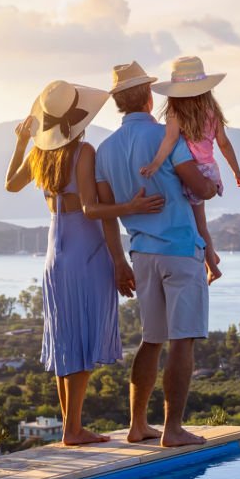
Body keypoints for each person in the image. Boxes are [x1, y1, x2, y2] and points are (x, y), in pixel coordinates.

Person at [5, 79, 164, 446]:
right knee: (85, 337)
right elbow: (94, 210)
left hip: (55, 254)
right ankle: (73, 429)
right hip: (85, 252)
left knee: (66, 340)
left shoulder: (40, 155)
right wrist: (131, 208)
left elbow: (11, 185)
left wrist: (21, 142)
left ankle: (70, 428)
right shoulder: (84, 152)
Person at [94, 61, 218, 447]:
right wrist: (212, 184)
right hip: (180, 250)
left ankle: (137, 425)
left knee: (151, 340)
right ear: (149, 96)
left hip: (141, 254)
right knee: (183, 341)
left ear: (118, 103)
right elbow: (198, 184)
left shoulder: (104, 150)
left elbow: (107, 216)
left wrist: (118, 262)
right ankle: (173, 429)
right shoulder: (167, 135)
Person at [141, 55, 240, 284]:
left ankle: (212, 267)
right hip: (210, 170)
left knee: (197, 224)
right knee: (200, 222)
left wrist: (155, 164)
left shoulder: (175, 114)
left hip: (191, 174)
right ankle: (212, 253)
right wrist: (237, 172)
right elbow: (224, 144)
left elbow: (169, 142)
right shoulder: (212, 113)